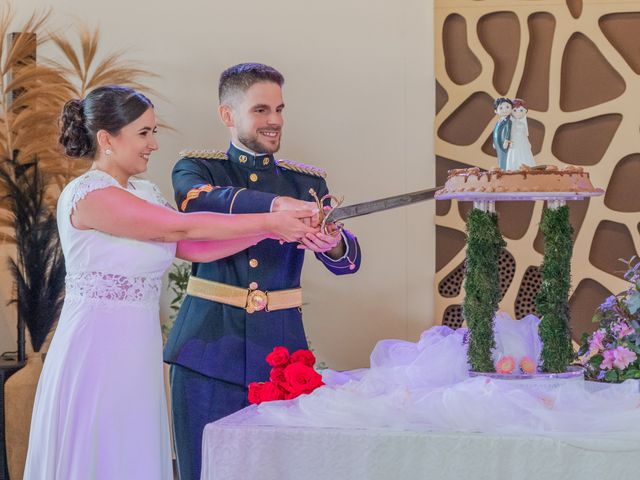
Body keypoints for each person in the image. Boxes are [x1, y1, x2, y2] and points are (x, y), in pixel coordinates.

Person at [23, 85, 317, 480]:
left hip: (137, 345)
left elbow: (192, 246)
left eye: (153, 132)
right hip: (97, 346)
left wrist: (279, 233)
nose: (154, 144)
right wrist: (271, 216)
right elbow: (178, 225)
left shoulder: (144, 192)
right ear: (107, 139)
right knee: (101, 443)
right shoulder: (88, 194)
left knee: (134, 444)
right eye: (144, 133)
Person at [164, 63, 362, 480]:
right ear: (227, 115)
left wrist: (333, 243)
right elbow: (199, 202)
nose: (274, 120)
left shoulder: (306, 182)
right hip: (208, 351)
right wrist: (275, 209)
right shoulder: (198, 170)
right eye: (260, 110)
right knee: (204, 468)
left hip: (283, 352)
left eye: (279, 109)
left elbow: (347, 262)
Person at [505, 98, 536, 171]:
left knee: (525, 155)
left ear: (525, 111)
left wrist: (528, 142)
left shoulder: (523, 124)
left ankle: (526, 169)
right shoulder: (510, 124)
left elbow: (525, 134)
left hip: (523, 142)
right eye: (515, 110)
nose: (518, 113)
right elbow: (508, 133)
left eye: (521, 110)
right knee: (514, 156)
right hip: (514, 142)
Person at [492, 97, 512, 169]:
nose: (504, 110)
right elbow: (495, 131)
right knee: (500, 156)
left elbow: (508, 131)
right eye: (501, 108)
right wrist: (494, 142)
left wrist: (506, 140)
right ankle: (501, 169)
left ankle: (504, 170)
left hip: (503, 142)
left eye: (507, 107)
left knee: (504, 156)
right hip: (498, 142)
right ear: (496, 111)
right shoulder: (498, 121)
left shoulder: (508, 121)